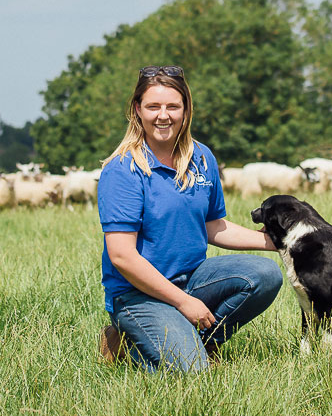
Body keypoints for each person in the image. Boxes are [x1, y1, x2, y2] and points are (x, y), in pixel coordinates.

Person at [97, 65, 283, 373]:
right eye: (153, 106)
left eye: (173, 106)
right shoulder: (122, 170)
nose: (163, 115)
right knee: (192, 373)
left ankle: (201, 341)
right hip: (137, 293)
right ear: (137, 110)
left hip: (192, 278)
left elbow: (212, 226)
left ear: (186, 109)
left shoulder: (201, 157)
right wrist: (183, 303)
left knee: (265, 274)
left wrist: (279, 241)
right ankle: (127, 340)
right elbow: (122, 256)